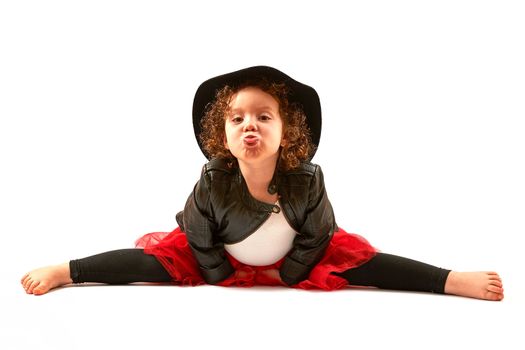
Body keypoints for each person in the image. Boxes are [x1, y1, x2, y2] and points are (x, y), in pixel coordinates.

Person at [21, 66, 504, 300]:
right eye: (237, 118)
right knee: (152, 262)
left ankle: (448, 280)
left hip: (297, 256)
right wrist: (218, 275)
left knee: (364, 263)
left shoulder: (307, 180)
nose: (249, 126)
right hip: (220, 256)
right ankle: (69, 270)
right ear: (222, 133)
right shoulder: (212, 180)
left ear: (286, 131)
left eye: (263, 117)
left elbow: (318, 234)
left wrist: (289, 273)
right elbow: (198, 234)